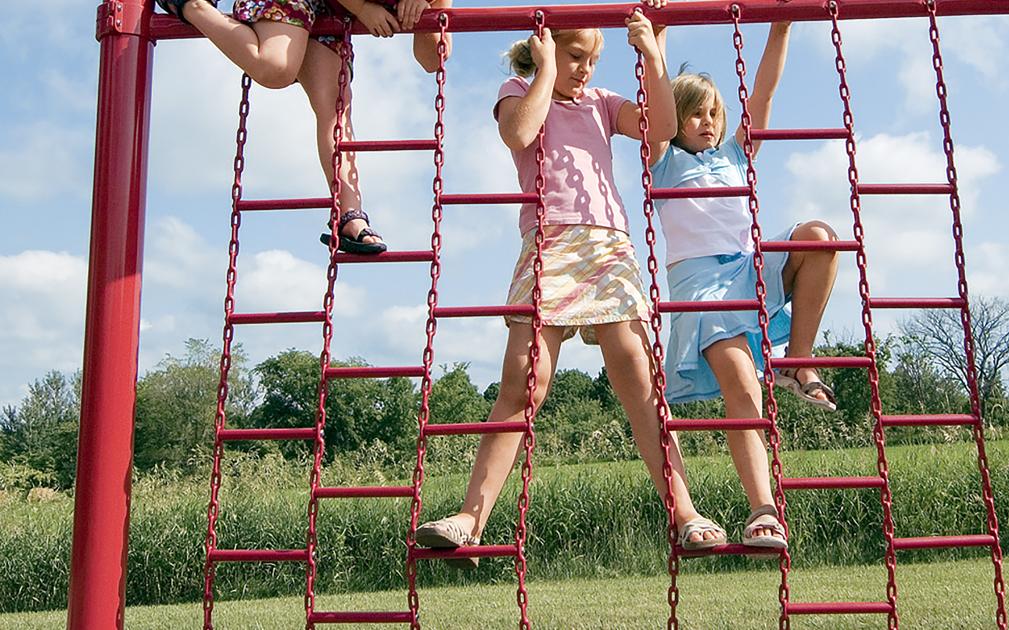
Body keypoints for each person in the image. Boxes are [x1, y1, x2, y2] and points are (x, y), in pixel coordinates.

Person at [415, 7, 731, 567]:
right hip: (549, 242)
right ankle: (471, 517)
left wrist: (653, 54)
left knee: (637, 375)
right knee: (524, 382)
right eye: (574, 56)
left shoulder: (604, 103)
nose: (584, 69)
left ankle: (684, 511)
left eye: (593, 59)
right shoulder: (518, 89)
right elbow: (519, 132)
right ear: (545, 49)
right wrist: (542, 72)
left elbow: (661, 128)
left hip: (607, 244)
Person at [646, 21, 839, 548]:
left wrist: (781, 26)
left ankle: (798, 361)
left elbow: (766, 88)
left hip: (749, 268)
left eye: (714, 113)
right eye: (695, 113)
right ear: (675, 118)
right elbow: (652, 95)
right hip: (701, 288)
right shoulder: (662, 162)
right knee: (743, 386)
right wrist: (655, 37)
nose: (707, 122)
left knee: (820, 238)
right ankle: (763, 511)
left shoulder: (735, 154)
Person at [153, 0, 453, 253]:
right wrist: (363, 8)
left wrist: (426, 12)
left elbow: (430, 60)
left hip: (331, 13)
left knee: (337, 106)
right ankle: (191, 5)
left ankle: (350, 217)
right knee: (275, 67)